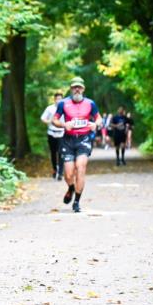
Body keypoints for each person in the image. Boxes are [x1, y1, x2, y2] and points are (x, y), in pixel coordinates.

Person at [52, 77, 102, 213]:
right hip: (68, 140)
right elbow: (54, 120)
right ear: (71, 89)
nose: (77, 89)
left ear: (83, 89)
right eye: (74, 87)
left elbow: (99, 118)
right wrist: (64, 124)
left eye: (79, 87)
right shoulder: (63, 103)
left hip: (83, 139)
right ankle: (71, 188)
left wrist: (95, 124)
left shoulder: (90, 103)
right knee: (68, 174)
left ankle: (77, 202)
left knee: (81, 167)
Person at [40, 92, 65, 180]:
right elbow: (42, 118)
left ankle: (61, 173)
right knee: (53, 152)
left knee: (61, 152)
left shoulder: (65, 108)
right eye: (57, 99)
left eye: (60, 99)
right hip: (51, 133)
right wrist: (49, 121)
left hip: (62, 133)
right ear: (54, 99)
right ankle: (55, 169)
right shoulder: (49, 109)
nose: (59, 101)